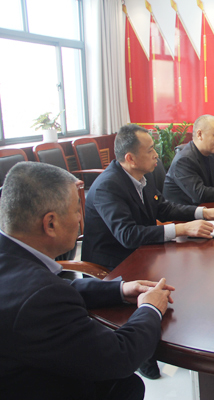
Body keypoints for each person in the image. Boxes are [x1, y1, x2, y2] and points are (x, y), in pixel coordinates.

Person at [0, 162, 175, 400]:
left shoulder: (14, 263)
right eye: (76, 209)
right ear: (50, 223)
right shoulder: (40, 297)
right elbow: (120, 357)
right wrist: (150, 308)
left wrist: (119, 289)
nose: (81, 219)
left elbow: (54, 288)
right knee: (126, 384)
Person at [82, 123, 214, 271]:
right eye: (150, 150)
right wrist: (182, 229)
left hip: (143, 253)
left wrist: (202, 212)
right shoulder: (107, 187)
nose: (156, 154)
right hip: (112, 267)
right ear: (131, 159)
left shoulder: (144, 175)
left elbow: (163, 208)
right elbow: (128, 235)